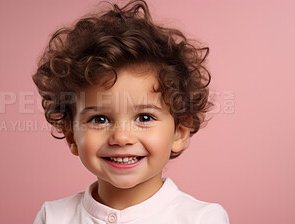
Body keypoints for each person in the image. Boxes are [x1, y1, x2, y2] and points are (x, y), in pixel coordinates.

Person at [31, 0, 229, 223]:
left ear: (180, 132)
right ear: (71, 136)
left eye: (144, 117)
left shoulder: (201, 218)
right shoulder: (53, 217)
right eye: (100, 119)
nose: (121, 137)